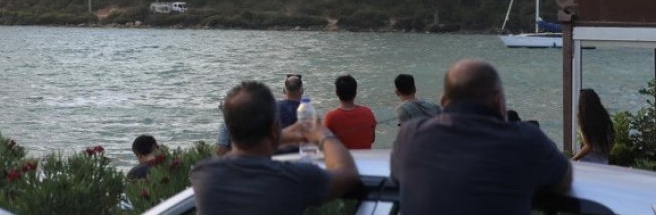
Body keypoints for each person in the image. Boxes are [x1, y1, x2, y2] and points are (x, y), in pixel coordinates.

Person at [391, 59, 572, 215]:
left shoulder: (410, 135)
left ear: (444, 101)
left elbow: (398, 178)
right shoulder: (526, 140)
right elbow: (564, 180)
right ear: (497, 100)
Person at [191, 80, 359, 214]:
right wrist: (322, 134)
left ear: (229, 128)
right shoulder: (293, 179)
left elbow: (243, 151)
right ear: (273, 129)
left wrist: (277, 136)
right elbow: (348, 174)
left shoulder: (203, 174)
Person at [322, 75, 376, 149]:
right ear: (355, 93)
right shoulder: (368, 112)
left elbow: (325, 143)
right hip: (366, 158)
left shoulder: (331, 117)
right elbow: (372, 139)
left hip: (342, 159)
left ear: (337, 93)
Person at [572, 88, 614, 164]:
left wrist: (573, 159)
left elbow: (588, 146)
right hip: (604, 162)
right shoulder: (605, 118)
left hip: (588, 164)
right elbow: (608, 144)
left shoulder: (585, 121)